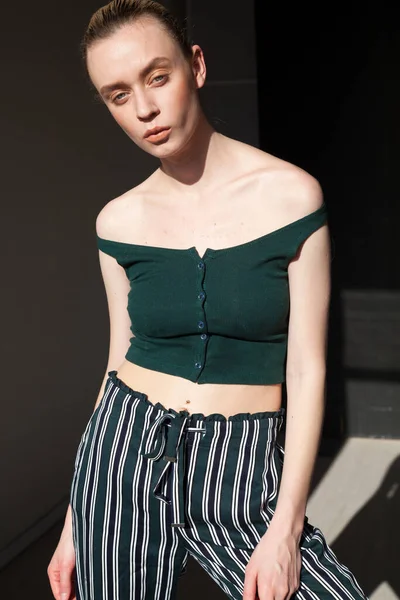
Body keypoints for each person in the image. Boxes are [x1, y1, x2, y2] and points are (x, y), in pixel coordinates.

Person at [47, 1, 369, 599]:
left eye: (156, 76)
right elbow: (118, 360)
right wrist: (74, 522)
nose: (144, 109)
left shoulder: (292, 197)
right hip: (120, 453)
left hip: (239, 463)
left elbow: (306, 366)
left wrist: (286, 526)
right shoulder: (117, 222)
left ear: (195, 65)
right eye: (118, 95)